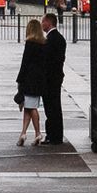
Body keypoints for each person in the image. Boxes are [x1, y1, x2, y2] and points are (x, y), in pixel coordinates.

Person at [14, 17, 47, 147]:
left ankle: (38, 133)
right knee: (28, 107)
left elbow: (25, 63)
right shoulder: (43, 44)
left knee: (31, 108)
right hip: (38, 80)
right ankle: (23, 133)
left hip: (28, 79)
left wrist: (19, 79)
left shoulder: (30, 43)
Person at [40, 12, 67, 146]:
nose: (41, 24)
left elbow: (47, 61)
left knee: (51, 108)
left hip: (50, 79)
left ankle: (53, 135)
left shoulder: (51, 39)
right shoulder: (59, 38)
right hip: (56, 77)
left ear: (49, 23)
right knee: (55, 107)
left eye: (43, 21)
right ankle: (56, 135)